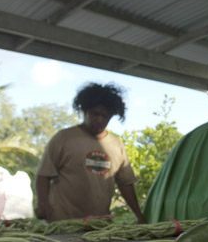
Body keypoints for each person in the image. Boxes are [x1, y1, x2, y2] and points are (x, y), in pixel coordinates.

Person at [35, 82, 146, 224]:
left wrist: (139, 215)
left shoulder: (116, 145)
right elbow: (43, 175)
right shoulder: (64, 138)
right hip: (63, 224)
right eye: (95, 114)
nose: (99, 120)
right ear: (84, 110)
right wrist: (43, 204)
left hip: (99, 226)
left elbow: (125, 184)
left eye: (105, 116)